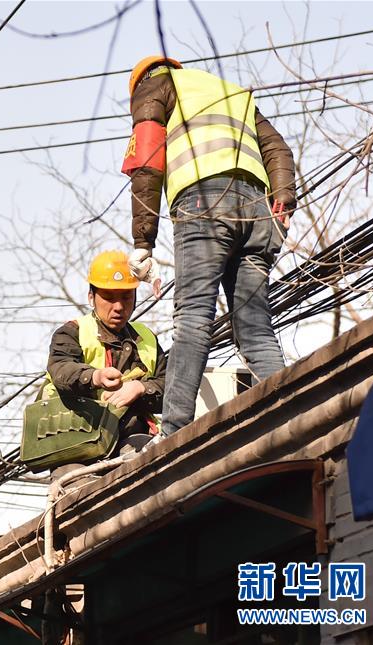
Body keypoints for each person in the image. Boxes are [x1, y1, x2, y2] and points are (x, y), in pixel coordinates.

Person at [120, 56, 296, 436]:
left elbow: (147, 161)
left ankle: (172, 433)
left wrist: (142, 241)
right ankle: (294, 414)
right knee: (256, 330)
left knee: (193, 320)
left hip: (204, 202)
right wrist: (282, 204)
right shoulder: (232, 94)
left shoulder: (154, 88)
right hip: (257, 213)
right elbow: (278, 150)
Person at [43, 250, 166, 450]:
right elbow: (61, 369)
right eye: (108, 297)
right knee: (75, 481)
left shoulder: (148, 338)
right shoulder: (72, 333)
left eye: (126, 297)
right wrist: (95, 377)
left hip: (131, 436)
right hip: (74, 439)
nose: (118, 306)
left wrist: (141, 388)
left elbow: (171, 386)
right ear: (91, 297)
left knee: (152, 460)